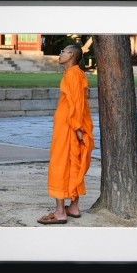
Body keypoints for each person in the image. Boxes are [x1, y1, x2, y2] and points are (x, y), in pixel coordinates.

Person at [38, 45, 94, 224]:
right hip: (72, 125)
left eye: (62, 51)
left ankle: (60, 211)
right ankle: (74, 207)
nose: (59, 54)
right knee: (74, 163)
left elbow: (75, 104)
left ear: (71, 55)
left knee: (61, 163)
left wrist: (77, 128)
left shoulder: (72, 75)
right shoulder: (77, 73)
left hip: (69, 126)